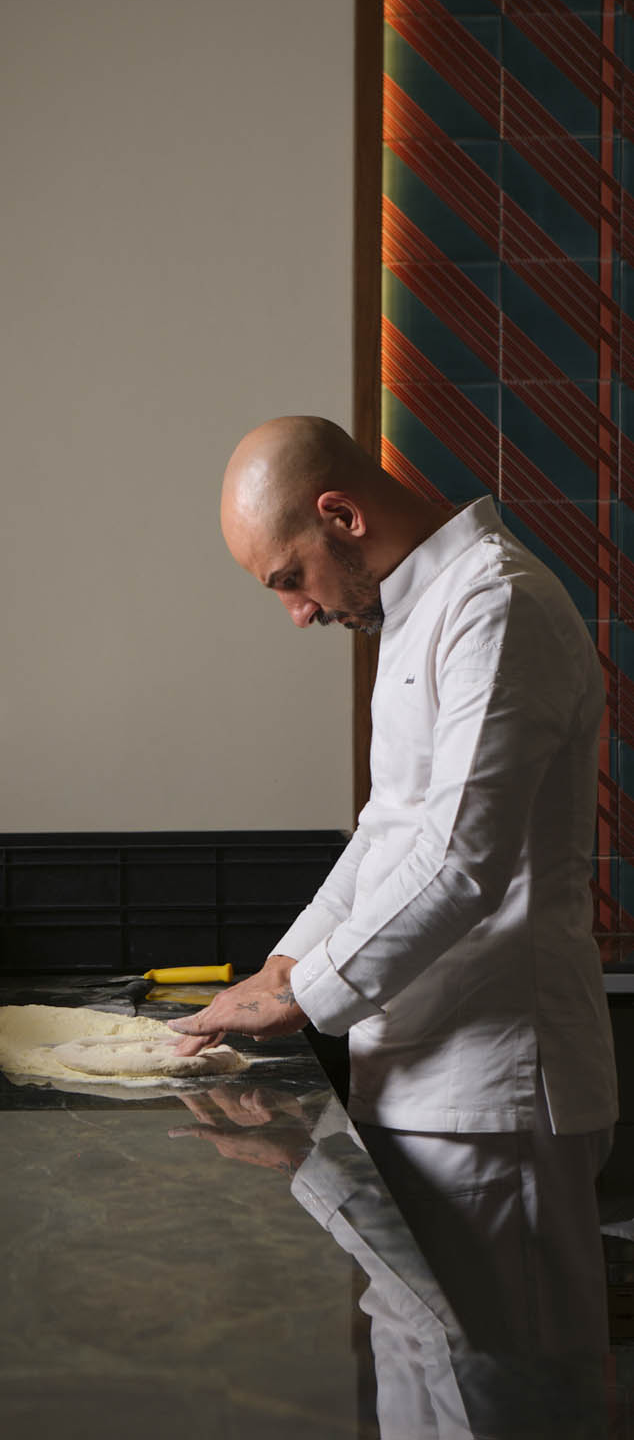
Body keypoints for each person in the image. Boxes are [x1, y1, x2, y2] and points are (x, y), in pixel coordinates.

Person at [170, 414, 619, 1355]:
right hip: (413, 1082)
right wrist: (283, 962)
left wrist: (303, 994)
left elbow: (462, 861)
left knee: (506, 1397)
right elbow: (390, 828)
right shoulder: (419, 610)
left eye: (289, 578)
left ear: (342, 515)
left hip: (493, 1093)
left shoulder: (497, 604)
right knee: (420, 1377)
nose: (298, 612)